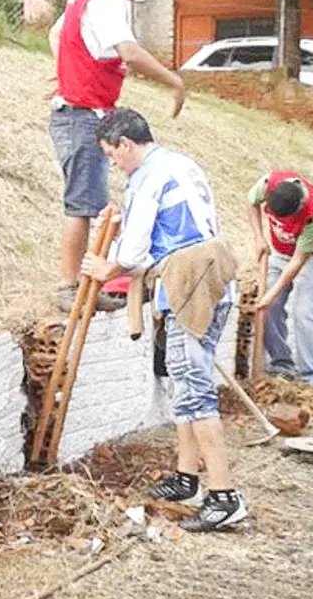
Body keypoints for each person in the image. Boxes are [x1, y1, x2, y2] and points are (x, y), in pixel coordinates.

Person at [81, 109, 248, 532]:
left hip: (188, 283)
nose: (113, 164)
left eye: (111, 154)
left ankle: (225, 496)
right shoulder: (180, 163)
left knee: (194, 390)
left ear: (126, 144)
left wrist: (109, 267)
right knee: (186, 383)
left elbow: (134, 252)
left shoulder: (147, 178)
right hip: (212, 279)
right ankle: (188, 479)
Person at [47, 0, 185, 313]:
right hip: (81, 114)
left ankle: (83, 284)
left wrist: (67, 72)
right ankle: (69, 286)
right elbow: (129, 52)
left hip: (79, 108)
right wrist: (174, 81)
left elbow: (58, 36)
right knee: (81, 204)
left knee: (89, 201)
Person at [248, 171, 313, 386]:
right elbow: (251, 204)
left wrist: (271, 293)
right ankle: (281, 364)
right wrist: (259, 238)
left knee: (304, 311)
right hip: (280, 252)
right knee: (270, 308)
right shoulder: (269, 183)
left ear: (299, 209)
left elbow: (297, 262)